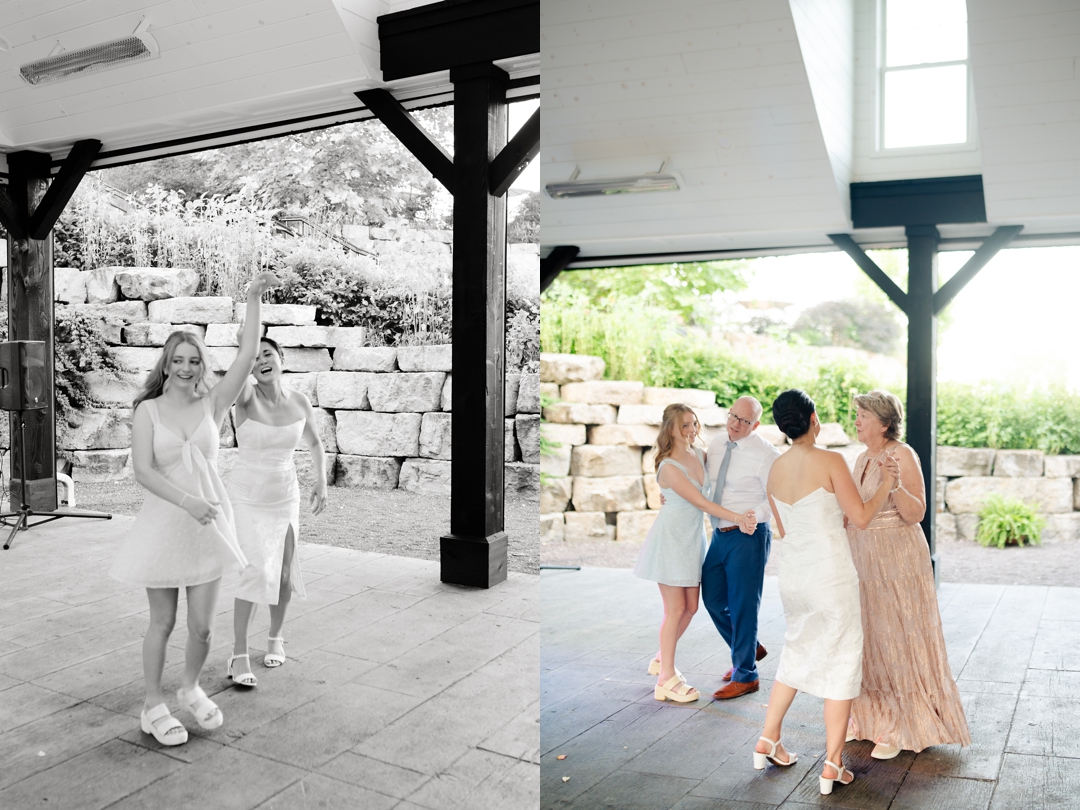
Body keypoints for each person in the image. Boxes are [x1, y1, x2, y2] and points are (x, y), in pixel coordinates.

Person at [109, 271, 280, 746]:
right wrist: (188, 501)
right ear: (166, 365)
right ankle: (151, 704)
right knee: (161, 623)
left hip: (210, 526)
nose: (185, 367)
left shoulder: (213, 404)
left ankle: (188, 688)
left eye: (194, 360)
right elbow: (143, 471)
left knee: (202, 628)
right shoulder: (148, 411)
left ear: (201, 365)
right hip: (167, 524)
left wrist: (251, 298)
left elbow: (247, 355)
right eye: (177, 360)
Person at [753, 389, 897, 795]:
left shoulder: (775, 470)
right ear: (813, 418)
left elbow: (784, 529)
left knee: (797, 650)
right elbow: (863, 517)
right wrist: (886, 482)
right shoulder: (832, 461)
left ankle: (768, 738)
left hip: (794, 575)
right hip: (830, 576)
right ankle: (832, 764)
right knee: (842, 659)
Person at [846, 390, 970, 759]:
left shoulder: (902, 454)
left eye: (863, 415)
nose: (857, 420)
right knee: (870, 638)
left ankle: (900, 724)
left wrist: (896, 484)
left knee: (897, 636)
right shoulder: (859, 458)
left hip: (898, 559)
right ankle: (870, 718)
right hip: (863, 559)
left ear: (884, 423)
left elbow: (916, 513)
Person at [634, 404, 756, 704]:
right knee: (675, 610)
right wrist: (737, 517)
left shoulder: (700, 454)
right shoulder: (668, 467)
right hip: (672, 539)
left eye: (694, 424)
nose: (691, 430)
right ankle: (666, 680)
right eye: (684, 425)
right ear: (670, 430)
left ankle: (662, 658)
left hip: (692, 538)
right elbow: (701, 502)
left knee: (690, 607)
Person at [226, 335, 328, 687]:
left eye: (267, 354)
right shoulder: (246, 397)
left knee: (283, 572)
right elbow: (239, 369)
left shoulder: (299, 401)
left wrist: (321, 480)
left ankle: (275, 636)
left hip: (285, 494)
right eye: (254, 359)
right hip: (246, 494)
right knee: (256, 569)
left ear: (282, 358)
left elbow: (314, 441)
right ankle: (239, 654)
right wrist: (246, 343)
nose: (261, 361)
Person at [702, 396, 779, 700]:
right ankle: (747, 647)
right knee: (711, 597)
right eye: (733, 415)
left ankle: (746, 674)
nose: (735, 423)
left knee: (743, 605)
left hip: (748, 535)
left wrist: (753, 516)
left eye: (744, 421)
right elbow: (701, 482)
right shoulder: (718, 443)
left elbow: (772, 499)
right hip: (719, 534)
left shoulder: (766, 455)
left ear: (756, 425)